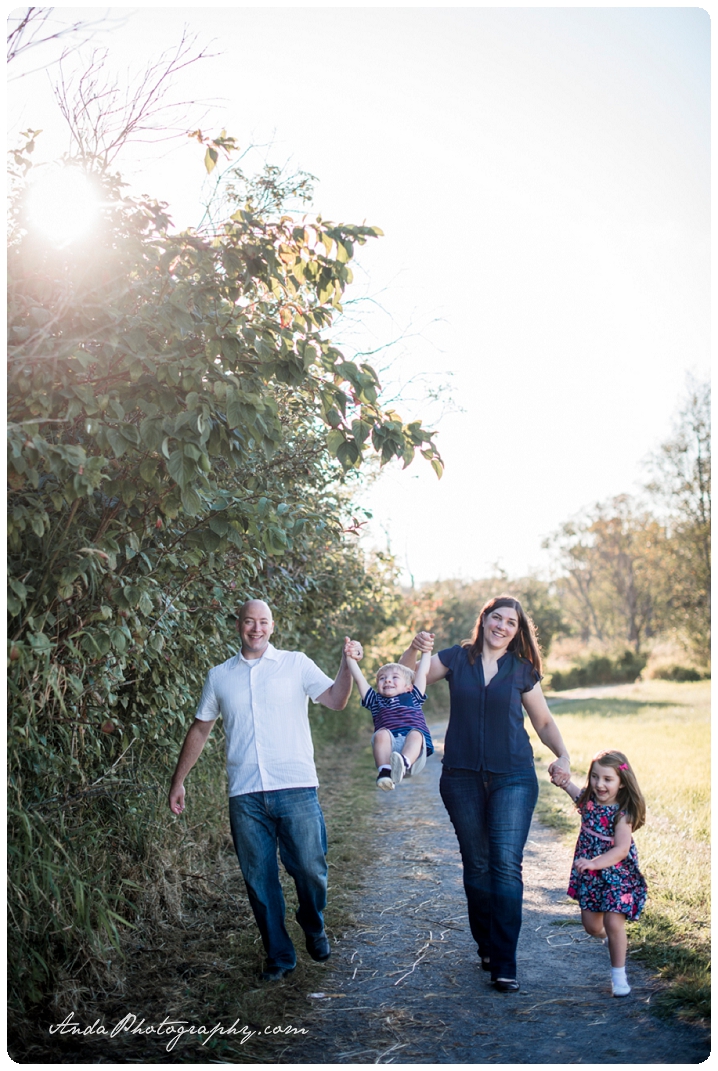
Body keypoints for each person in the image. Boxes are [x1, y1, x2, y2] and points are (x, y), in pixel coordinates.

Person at [168, 599, 357, 982]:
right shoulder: (220, 675)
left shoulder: (296, 663)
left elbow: (337, 700)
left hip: (296, 786)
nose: (256, 628)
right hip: (245, 794)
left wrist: (347, 663)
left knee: (310, 868)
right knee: (259, 880)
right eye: (249, 622)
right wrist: (179, 780)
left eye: (263, 622)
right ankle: (279, 956)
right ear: (238, 625)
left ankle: (312, 922)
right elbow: (201, 728)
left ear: (273, 626)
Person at [401, 594, 571, 993]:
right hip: (460, 777)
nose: (502, 626)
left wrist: (562, 754)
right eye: (497, 618)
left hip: (513, 775)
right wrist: (414, 648)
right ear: (485, 620)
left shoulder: (521, 669)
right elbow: (404, 678)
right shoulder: (457, 659)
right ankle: (487, 946)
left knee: (506, 865)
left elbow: (543, 721)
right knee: (476, 864)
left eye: (511, 622)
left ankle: (505, 961)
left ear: (518, 631)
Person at [552, 748, 647, 997]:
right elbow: (573, 791)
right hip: (593, 877)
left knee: (613, 921)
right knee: (593, 927)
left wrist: (594, 862)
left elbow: (621, 849)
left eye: (607, 779)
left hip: (618, 874)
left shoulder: (622, 814)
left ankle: (619, 976)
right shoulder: (589, 802)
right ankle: (609, 938)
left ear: (622, 783)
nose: (599, 784)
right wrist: (563, 780)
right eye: (595, 777)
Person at [344, 638, 434, 790]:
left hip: (413, 751)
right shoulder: (375, 700)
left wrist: (427, 650)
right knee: (381, 734)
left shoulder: (413, 696)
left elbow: (423, 673)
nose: (387, 681)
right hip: (388, 748)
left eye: (394, 677)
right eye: (382, 678)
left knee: (417, 734)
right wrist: (349, 657)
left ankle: (404, 763)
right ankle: (385, 772)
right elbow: (359, 679)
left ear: (408, 687)